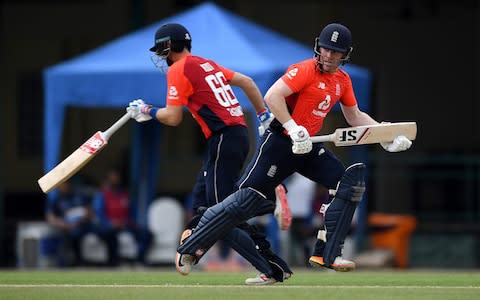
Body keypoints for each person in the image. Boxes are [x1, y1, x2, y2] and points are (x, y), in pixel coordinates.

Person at [175, 23, 413, 275]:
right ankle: (191, 246)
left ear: (346, 53)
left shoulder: (342, 80)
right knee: (245, 201)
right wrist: (292, 125)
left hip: (308, 145)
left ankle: (327, 254)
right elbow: (272, 96)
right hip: (279, 143)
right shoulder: (304, 70)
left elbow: (354, 116)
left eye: (336, 52)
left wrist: (384, 135)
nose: (330, 56)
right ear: (318, 47)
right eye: (326, 49)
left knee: (347, 183)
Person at [126, 23, 292, 284]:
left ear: (170, 46)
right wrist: (263, 116)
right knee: (203, 207)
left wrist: (147, 110)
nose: (161, 56)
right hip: (232, 137)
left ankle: (266, 209)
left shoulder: (179, 69)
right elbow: (247, 82)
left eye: (162, 50)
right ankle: (198, 242)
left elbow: (172, 117)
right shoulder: (206, 63)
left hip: (224, 138)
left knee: (221, 213)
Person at [45, 180, 114, 266]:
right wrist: (66, 225)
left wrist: (86, 216)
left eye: (66, 184)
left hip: (85, 224)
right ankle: (76, 262)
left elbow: (90, 210)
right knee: (73, 235)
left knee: (107, 231)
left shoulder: (79, 196)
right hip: (69, 227)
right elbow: (51, 218)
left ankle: (112, 261)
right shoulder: (56, 200)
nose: (64, 187)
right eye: (61, 185)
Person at [92, 167, 153, 265]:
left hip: (125, 225)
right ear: (108, 180)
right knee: (110, 236)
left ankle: (138, 260)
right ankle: (112, 263)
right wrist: (110, 223)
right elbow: (99, 214)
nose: (115, 180)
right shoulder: (102, 195)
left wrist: (126, 222)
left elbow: (132, 213)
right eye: (113, 178)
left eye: (117, 177)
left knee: (146, 234)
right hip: (108, 226)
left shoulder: (125, 194)